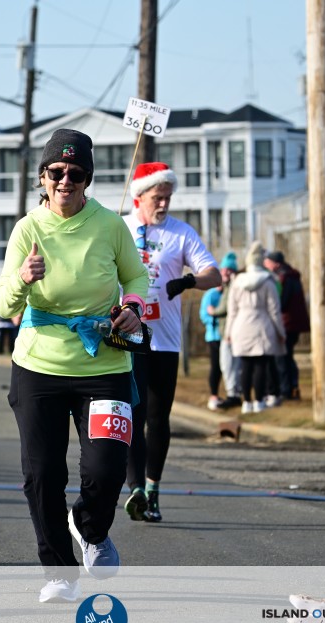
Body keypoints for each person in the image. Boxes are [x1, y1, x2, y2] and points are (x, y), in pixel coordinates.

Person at [0, 128, 147, 604]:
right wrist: (23, 278)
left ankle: (90, 528)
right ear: (43, 177)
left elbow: (136, 276)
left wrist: (133, 306)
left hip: (105, 364)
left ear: (87, 179)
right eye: (56, 172)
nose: (65, 180)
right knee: (42, 474)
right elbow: (2, 304)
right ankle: (59, 573)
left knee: (107, 468)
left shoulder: (110, 225)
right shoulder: (28, 229)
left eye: (75, 173)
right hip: (39, 365)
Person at [121, 161, 221, 523]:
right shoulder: (119, 228)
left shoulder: (180, 233)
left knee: (158, 417)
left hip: (164, 339)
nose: (163, 204)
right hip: (127, 337)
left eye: (168, 197)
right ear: (139, 196)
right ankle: (134, 488)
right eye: (157, 197)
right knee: (132, 414)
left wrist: (189, 281)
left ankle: (152, 490)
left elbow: (214, 274)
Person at [225, 240, 285, 414]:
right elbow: (274, 310)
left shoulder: (237, 282)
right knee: (260, 366)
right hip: (262, 327)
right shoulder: (268, 282)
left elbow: (232, 310)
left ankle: (246, 402)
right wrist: (281, 332)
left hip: (241, 326)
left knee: (245, 366)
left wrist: (228, 332)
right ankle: (259, 401)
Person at [263, 250, 310, 401]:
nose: (265, 265)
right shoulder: (292, 276)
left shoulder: (283, 278)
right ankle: (292, 387)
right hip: (294, 324)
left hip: (287, 323)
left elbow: (281, 302)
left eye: (268, 262)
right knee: (288, 356)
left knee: (282, 358)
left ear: (275, 264)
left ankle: (286, 390)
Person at [200, 251, 238, 411]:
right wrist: (213, 318)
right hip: (214, 335)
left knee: (228, 365)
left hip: (228, 334)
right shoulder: (210, 294)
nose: (226, 273)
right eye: (224, 270)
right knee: (216, 366)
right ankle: (214, 395)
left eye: (230, 270)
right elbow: (204, 314)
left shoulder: (231, 291)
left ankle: (232, 393)